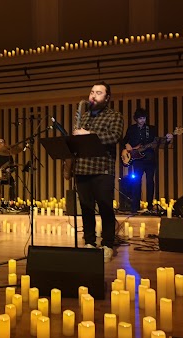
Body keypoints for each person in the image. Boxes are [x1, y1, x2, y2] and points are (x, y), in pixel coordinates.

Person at [70, 81, 124, 262]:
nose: (93, 95)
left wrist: (88, 134)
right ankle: (90, 242)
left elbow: (114, 136)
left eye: (99, 93)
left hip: (102, 168)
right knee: (86, 207)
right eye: (92, 91)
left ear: (107, 98)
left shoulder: (114, 116)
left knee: (105, 207)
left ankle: (107, 244)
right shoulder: (83, 117)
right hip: (82, 168)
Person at [122, 108, 173, 213]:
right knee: (136, 182)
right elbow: (124, 141)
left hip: (149, 158)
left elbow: (157, 142)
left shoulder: (151, 129)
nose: (142, 120)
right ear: (136, 119)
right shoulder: (131, 129)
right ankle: (135, 207)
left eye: (144, 118)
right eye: (140, 118)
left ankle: (150, 206)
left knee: (150, 181)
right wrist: (129, 147)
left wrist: (167, 139)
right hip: (136, 159)